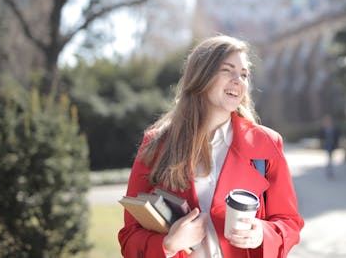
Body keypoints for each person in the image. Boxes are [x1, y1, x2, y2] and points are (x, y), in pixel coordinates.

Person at [118, 35, 304, 258]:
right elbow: (129, 237)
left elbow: (289, 223)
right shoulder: (156, 145)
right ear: (201, 76)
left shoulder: (267, 145)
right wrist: (168, 245)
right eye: (228, 70)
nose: (239, 80)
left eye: (244, 74)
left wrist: (262, 234)